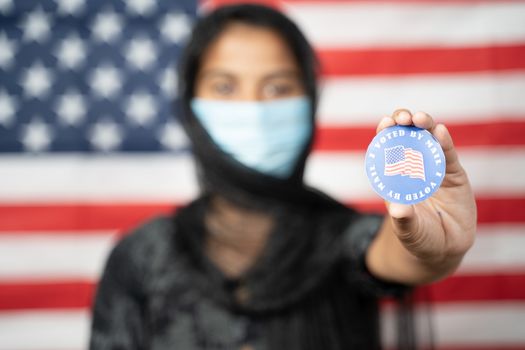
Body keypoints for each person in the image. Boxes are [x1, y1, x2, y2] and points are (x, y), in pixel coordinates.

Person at [89, 3, 476, 349]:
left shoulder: (338, 234)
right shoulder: (141, 256)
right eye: (225, 86)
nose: (253, 108)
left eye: (278, 87)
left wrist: (431, 247)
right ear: (190, 102)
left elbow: (391, 253)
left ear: (309, 98)